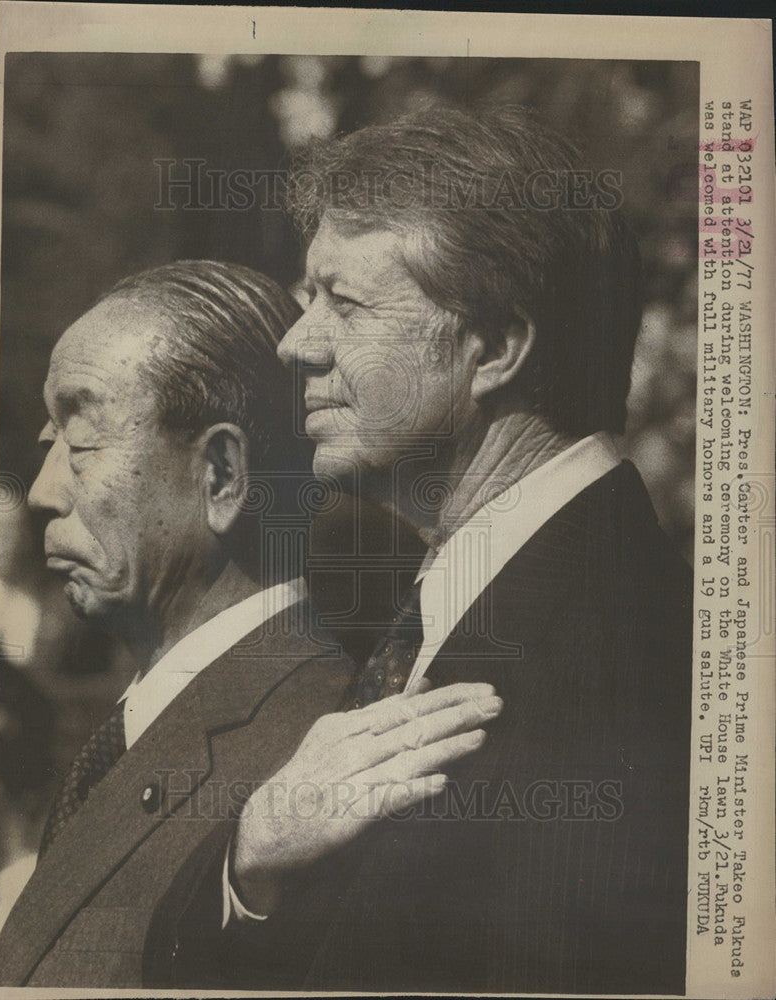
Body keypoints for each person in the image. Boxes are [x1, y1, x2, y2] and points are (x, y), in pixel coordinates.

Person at [150, 105, 693, 994]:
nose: (296, 343)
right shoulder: (494, 600)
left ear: (498, 349)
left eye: (346, 303)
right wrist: (253, 862)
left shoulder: (615, 661)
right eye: (305, 297)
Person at [0, 260, 498, 988]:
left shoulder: (309, 756)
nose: (43, 493)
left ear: (221, 475)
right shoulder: (157, 721)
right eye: (48, 446)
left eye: (80, 444)